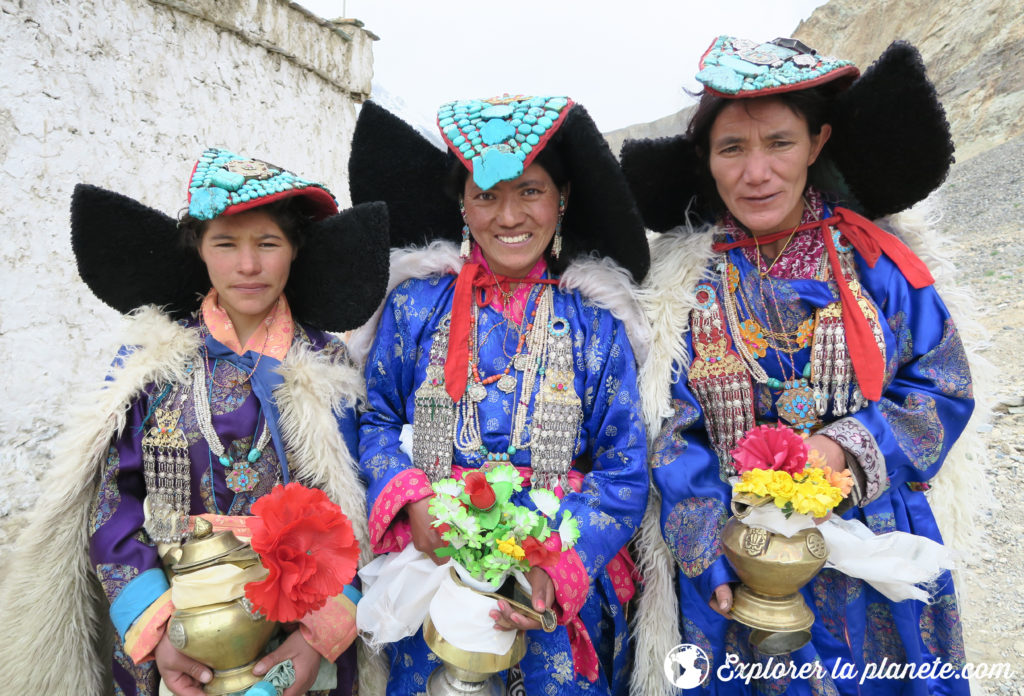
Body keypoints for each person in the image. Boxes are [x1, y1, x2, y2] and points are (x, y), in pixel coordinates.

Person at [620, 38, 976, 695]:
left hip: (871, 554)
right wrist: (708, 552)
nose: (757, 172)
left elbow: (943, 385)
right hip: (735, 553)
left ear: (817, 143)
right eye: (733, 148)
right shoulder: (681, 289)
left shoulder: (879, 265)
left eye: (779, 143)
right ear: (707, 159)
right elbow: (668, 430)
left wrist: (844, 452)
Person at [0, 148, 390, 696]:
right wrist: (163, 634)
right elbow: (115, 508)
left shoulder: (328, 369)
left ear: (296, 249)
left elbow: (360, 514)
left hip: (298, 629)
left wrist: (316, 637)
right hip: (178, 628)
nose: (248, 266)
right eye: (226, 244)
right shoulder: (154, 369)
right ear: (198, 249)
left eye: (268, 244)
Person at [348, 96, 651, 695]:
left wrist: (555, 562)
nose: (508, 216)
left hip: (553, 580)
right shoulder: (414, 307)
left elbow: (624, 471)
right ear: (462, 205)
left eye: (530, 191)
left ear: (562, 198)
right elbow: (375, 418)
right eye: (486, 195)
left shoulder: (595, 322)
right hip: (434, 573)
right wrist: (412, 502)